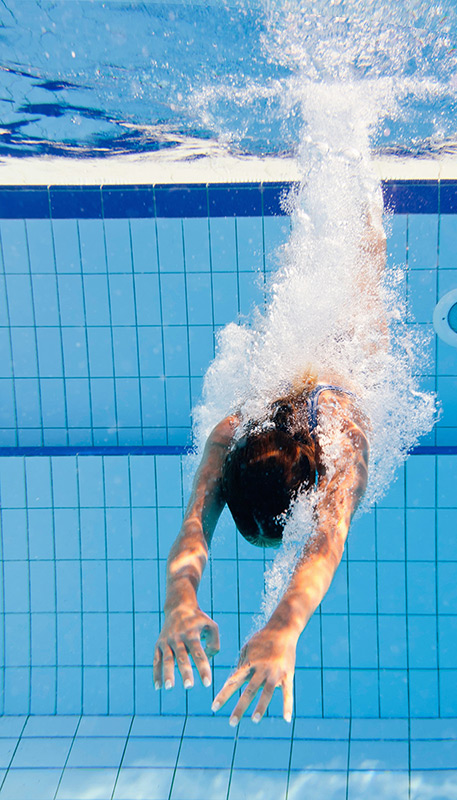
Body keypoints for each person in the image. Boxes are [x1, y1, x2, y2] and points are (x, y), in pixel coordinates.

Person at [153, 198, 387, 726]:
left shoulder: (346, 450)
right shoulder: (233, 431)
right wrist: (177, 601)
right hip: (327, 370)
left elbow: (328, 543)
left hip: (352, 359)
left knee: (367, 268)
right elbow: (194, 526)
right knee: (327, 272)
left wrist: (284, 628)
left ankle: (367, 198)